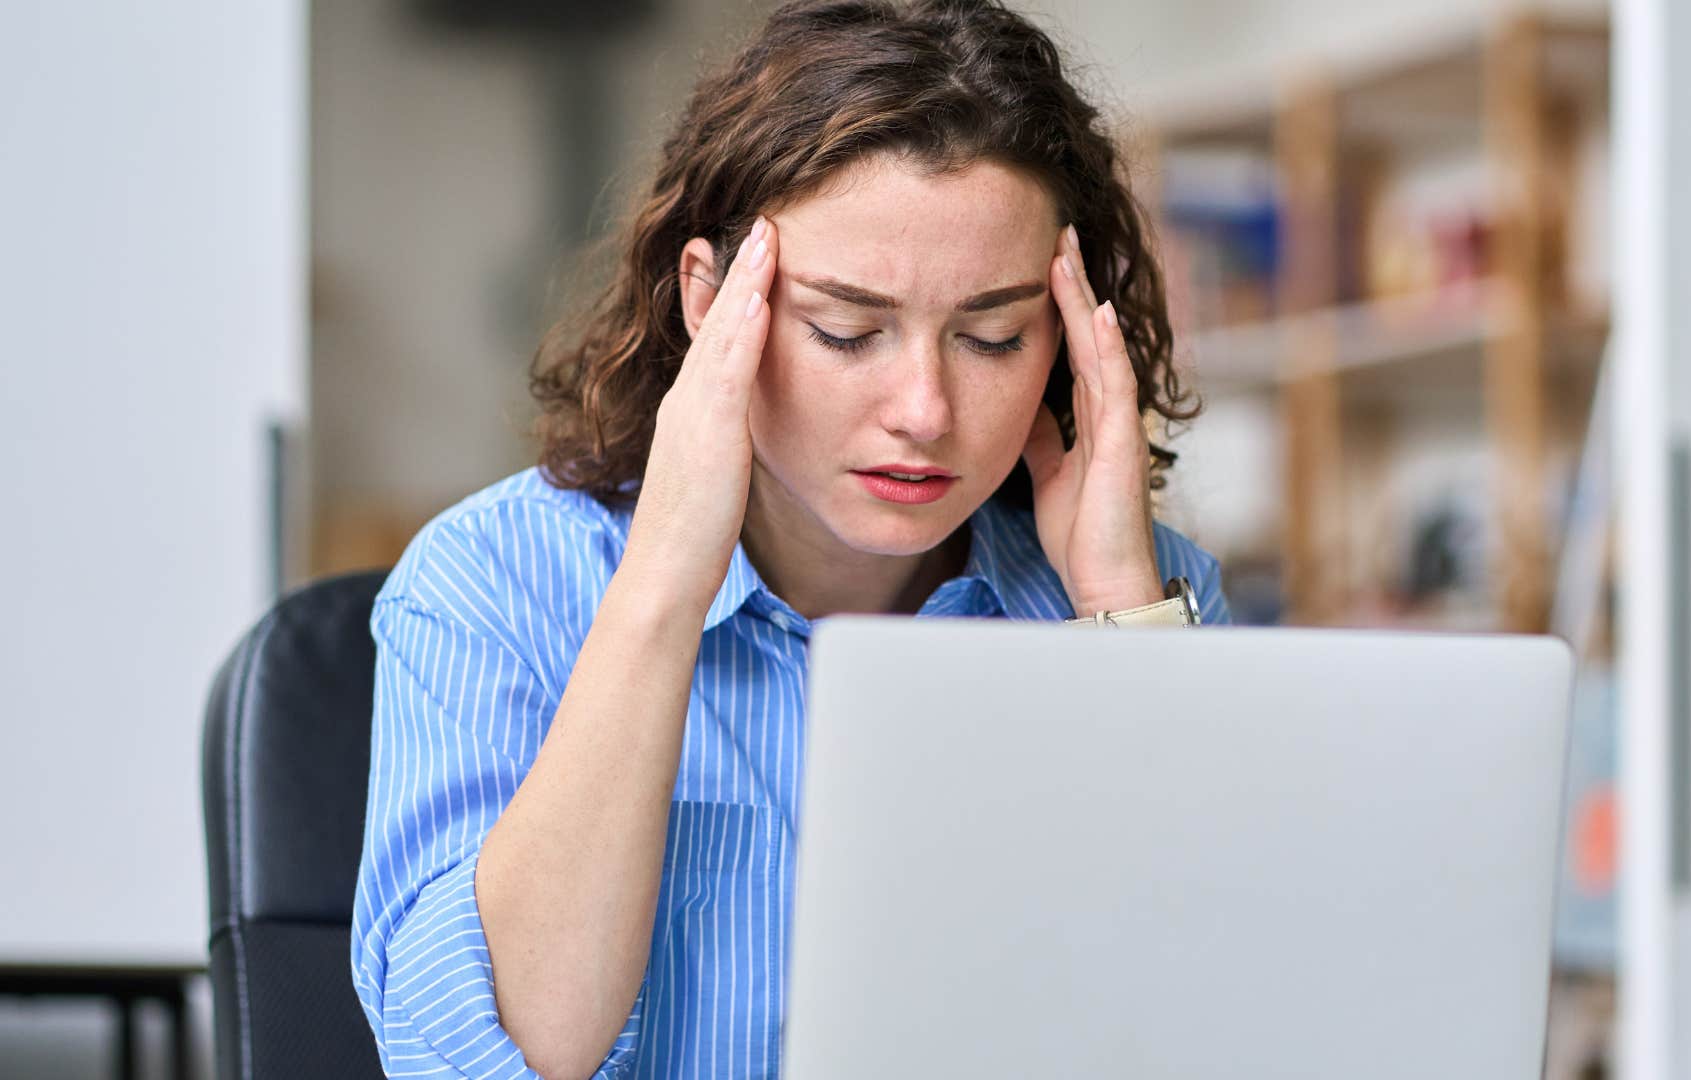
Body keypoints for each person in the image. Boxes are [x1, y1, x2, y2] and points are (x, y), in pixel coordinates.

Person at [349, 1, 1232, 1076]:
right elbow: (487, 1058)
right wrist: (668, 580)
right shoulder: (490, 585)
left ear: (1068, 336)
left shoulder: (1144, 592)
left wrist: (1115, 607)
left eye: (993, 336)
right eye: (847, 331)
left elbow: (1210, 1018)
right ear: (712, 304)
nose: (925, 408)